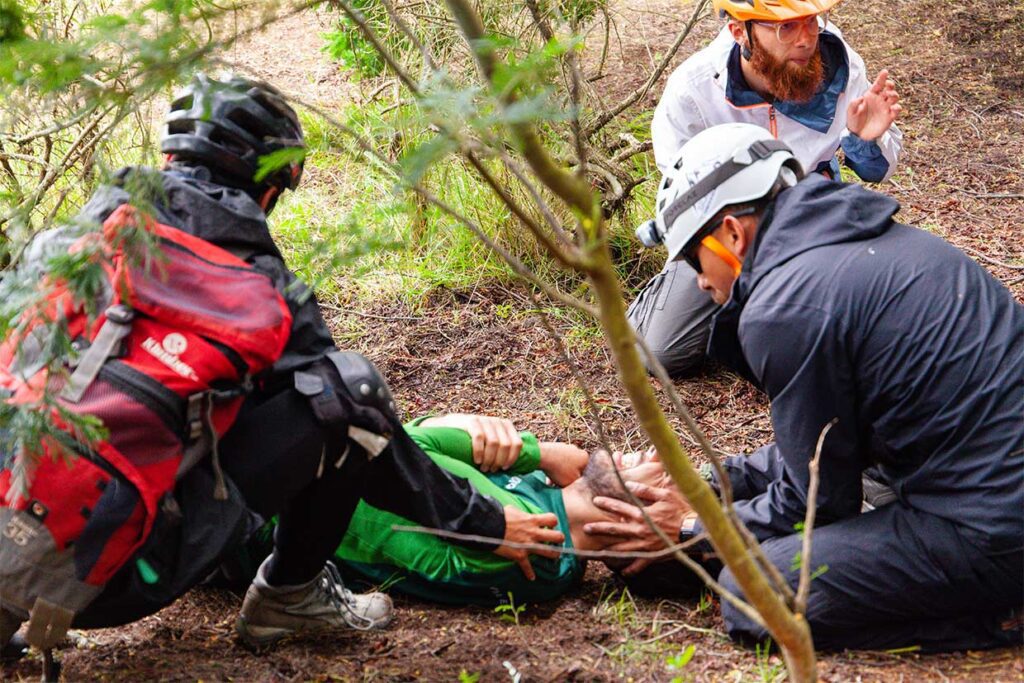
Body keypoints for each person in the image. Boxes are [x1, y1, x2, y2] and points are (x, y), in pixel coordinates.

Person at [0, 74, 563, 653]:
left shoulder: (58, 245)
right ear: (269, 187)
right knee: (349, 393)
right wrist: (484, 521)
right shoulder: (260, 291)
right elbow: (363, 423)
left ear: (169, 157)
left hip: (24, 545)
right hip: (120, 575)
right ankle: (289, 595)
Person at [587, 123, 1023, 651]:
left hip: (993, 529)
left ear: (730, 234)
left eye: (690, 259)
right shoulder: (849, 240)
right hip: (986, 488)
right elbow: (826, 442)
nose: (698, 281)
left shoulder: (785, 306)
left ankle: (1000, 618)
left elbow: (817, 498)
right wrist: (703, 484)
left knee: (754, 592)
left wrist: (684, 532)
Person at [629, 0, 903, 378]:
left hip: (808, 209)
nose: (806, 39)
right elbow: (681, 192)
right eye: (785, 28)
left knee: (863, 321)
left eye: (810, 22)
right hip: (729, 227)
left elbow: (877, 172)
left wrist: (863, 139)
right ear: (740, 31)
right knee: (661, 352)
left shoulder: (840, 65)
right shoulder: (694, 91)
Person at [236, 414, 670, 606]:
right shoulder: (547, 505)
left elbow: (393, 448)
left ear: (632, 528)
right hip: (287, 469)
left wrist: (536, 452)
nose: (656, 456)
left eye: (667, 481)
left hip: (249, 508)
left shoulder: (528, 537)